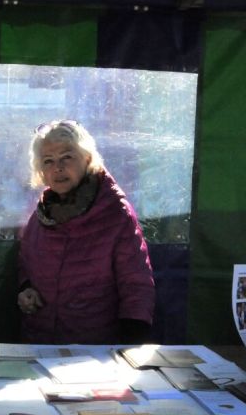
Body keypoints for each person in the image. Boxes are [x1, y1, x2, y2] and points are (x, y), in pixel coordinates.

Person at [16, 120, 155, 344]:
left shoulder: (115, 213)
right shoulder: (41, 213)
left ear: (88, 159)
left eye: (67, 157)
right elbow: (26, 263)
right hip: (40, 346)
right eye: (48, 161)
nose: (57, 168)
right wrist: (25, 289)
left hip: (94, 352)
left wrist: (132, 347)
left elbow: (136, 283)